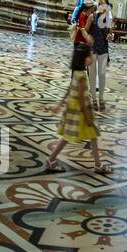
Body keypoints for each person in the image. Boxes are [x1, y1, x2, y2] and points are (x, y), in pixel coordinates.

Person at [46, 45, 110, 174]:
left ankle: (51, 159)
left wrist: (59, 105)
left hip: (73, 109)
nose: (92, 57)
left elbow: (69, 89)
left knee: (70, 137)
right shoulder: (81, 76)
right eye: (89, 55)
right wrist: (87, 116)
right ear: (84, 59)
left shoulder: (76, 72)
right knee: (91, 136)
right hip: (81, 111)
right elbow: (81, 98)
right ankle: (97, 165)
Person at [88, 0, 112, 110]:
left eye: (105, 5)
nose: (103, 7)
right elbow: (85, 30)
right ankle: (93, 98)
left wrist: (110, 37)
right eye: (101, 4)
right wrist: (88, 38)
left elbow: (110, 35)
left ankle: (101, 98)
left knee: (102, 74)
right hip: (92, 48)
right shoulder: (92, 17)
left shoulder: (108, 20)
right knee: (92, 74)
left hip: (103, 48)